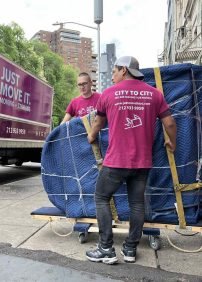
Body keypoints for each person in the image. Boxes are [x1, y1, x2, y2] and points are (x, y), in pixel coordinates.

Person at [85, 56, 177, 264]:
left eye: (115, 71)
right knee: (136, 204)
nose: (114, 76)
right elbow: (170, 123)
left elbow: (99, 122)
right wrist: (173, 143)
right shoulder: (154, 94)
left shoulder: (108, 94)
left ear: (124, 70)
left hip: (116, 161)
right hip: (142, 162)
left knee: (101, 198)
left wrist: (91, 136)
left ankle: (106, 248)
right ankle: (130, 250)